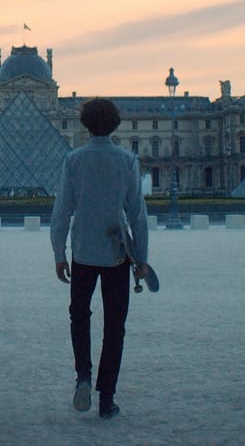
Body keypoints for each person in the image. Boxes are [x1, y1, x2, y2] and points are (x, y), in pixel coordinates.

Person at [50, 97, 149, 419]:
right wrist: (142, 258)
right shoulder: (127, 160)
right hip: (117, 254)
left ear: (85, 124)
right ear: (116, 124)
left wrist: (58, 254)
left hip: (82, 252)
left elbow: (61, 211)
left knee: (79, 317)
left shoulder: (74, 160)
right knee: (114, 327)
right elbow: (137, 214)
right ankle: (107, 399)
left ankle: (83, 376)